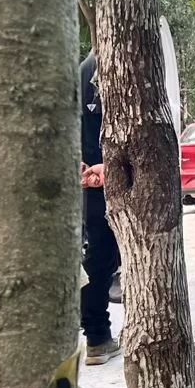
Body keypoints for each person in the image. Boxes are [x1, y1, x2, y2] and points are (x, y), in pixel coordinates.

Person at [78, 50, 122, 366]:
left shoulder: (79, 72)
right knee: (136, 257)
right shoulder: (127, 64)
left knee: (97, 259)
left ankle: (97, 337)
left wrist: (82, 167)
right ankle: (104, 337)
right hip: (122, 182)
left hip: (91, 181)